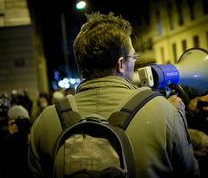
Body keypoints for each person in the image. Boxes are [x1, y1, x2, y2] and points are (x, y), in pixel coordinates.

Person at [28, 12, 199, 177]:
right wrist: (177, 116)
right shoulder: (163, 112)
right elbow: (190, 171)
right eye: (133, 57)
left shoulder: (44, 122)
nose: (135, 61)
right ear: (121, 64)